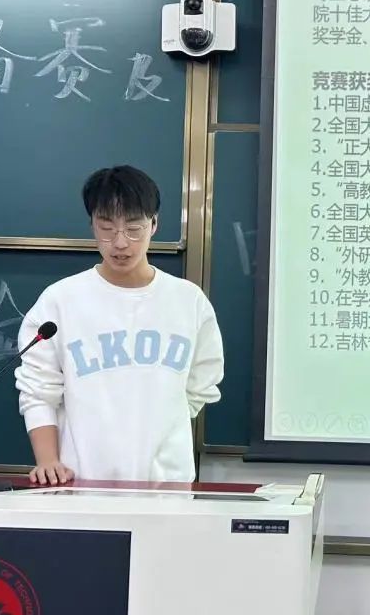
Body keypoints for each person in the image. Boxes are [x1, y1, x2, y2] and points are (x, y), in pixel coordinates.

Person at [14, 164, 224, 485]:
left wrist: (160, 426)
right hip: (82, 483)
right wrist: (48, 461)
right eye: (107, 228)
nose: (120, 243)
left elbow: (200, 385)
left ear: (154, 224)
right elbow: (37, 390)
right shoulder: (60, 300)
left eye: (134, 229)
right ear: (92, 226)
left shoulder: (188, 301)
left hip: (169, 486)